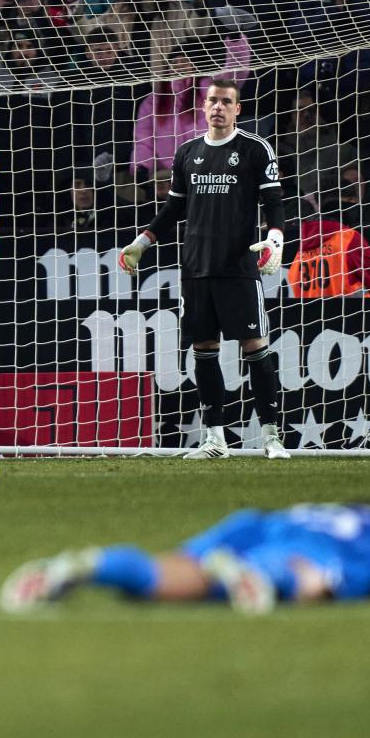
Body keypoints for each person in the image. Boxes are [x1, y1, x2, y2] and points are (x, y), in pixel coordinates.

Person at [119, 78, 289, 460]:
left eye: (226, 102)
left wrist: (275, 238)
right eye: (212, 100)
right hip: (196, 267)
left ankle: (271, 436)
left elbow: (275, 203)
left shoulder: (254, 149)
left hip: (238, 267)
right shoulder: (187, 153)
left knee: (254, 347)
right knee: (204, 349)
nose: (218, 107)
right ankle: (215, 439)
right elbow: (174, 209)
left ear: (237, 108)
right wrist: (141, 242)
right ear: (203, 105)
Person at [0, 502, 370, 615]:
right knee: (308, 580)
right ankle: (252, 575)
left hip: (257, 523)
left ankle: (90, 565)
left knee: (167, 572)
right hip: (305, 550)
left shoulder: (313, 510)